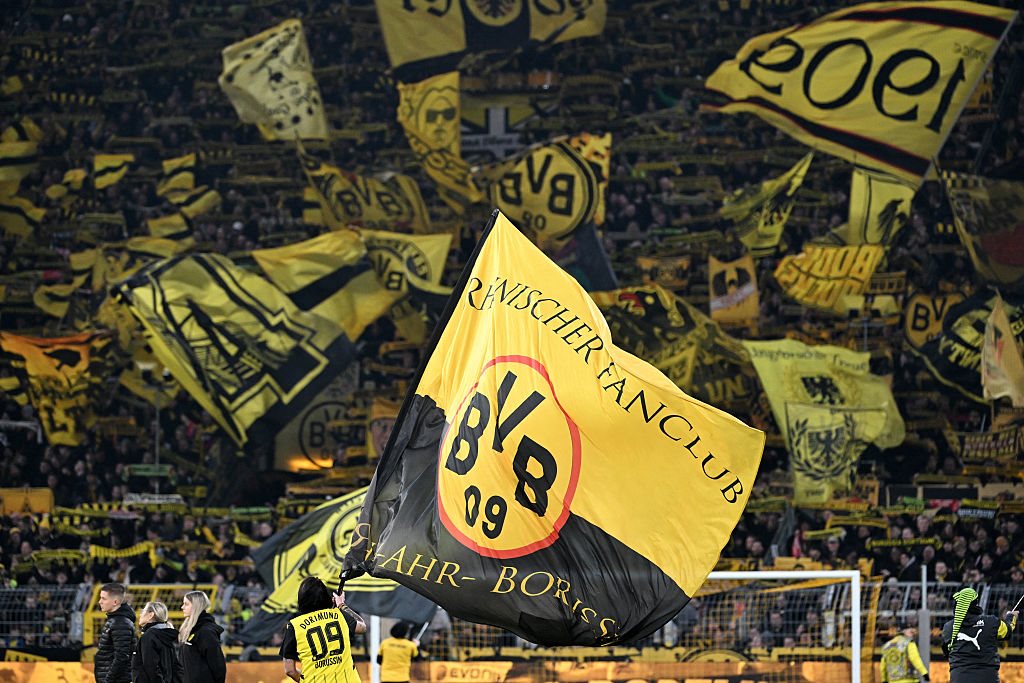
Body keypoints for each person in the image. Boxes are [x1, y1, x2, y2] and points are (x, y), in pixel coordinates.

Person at [280, 576, 366, 683]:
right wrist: (341, 605)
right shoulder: (339, 615)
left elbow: (290, 670)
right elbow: (362, 627)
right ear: (326, 596)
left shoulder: (294, 626)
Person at [941, 586, 1019, 682]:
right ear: (976, 604)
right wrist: (1011, 617)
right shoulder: (991, 622)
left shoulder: (948, 627)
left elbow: (947, 651)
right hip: (987, 678)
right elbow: (1007, 631)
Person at [179, 591, 226, 683]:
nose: (182, 607)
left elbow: (218, 664)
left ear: (196, 606)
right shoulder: (191, 630)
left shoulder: (206, 632)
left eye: (186, 604)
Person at [96, 582, 137, 683]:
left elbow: (121, 657)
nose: (100, 602)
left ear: (115, 602)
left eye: (103, 598)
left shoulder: (120, 623)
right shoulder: (115, 621)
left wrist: (108, 680)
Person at [133, 601, 183, 683]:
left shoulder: (149, 636)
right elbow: (176, 667)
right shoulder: (166, 635)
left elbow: (151, 667)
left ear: (151, 615)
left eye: (143, 611)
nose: (140, 614)